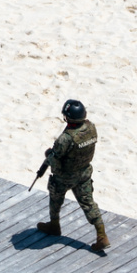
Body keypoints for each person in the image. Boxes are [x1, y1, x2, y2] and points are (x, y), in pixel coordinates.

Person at [37, 99, 110, 253]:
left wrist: (49, 156)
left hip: (65, 177)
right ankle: (101, 235)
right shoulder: (91, 128)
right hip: (84, 173)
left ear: (67, 118)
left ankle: (54, 225)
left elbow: (56, 162)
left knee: (55, 199)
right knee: (89, 204)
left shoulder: (66, 138)